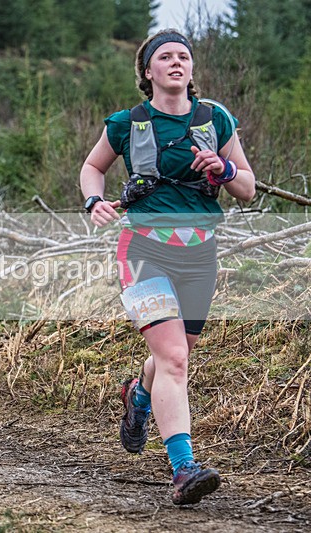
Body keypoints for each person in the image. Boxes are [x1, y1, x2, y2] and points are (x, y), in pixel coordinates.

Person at [79, 29, 255, 505]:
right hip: (143, 251)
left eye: (184, 57)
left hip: (200, 254)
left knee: (173, 356)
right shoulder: (127, 123)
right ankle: (183, 470)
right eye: (166, 57)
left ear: (192, 69)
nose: (176, 63)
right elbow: (92, 167)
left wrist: (224, 169)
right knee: (174, 357)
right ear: (147, 71)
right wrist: (94, 199)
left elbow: (248, 188)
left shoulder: (216, 119)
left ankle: (138, 396)